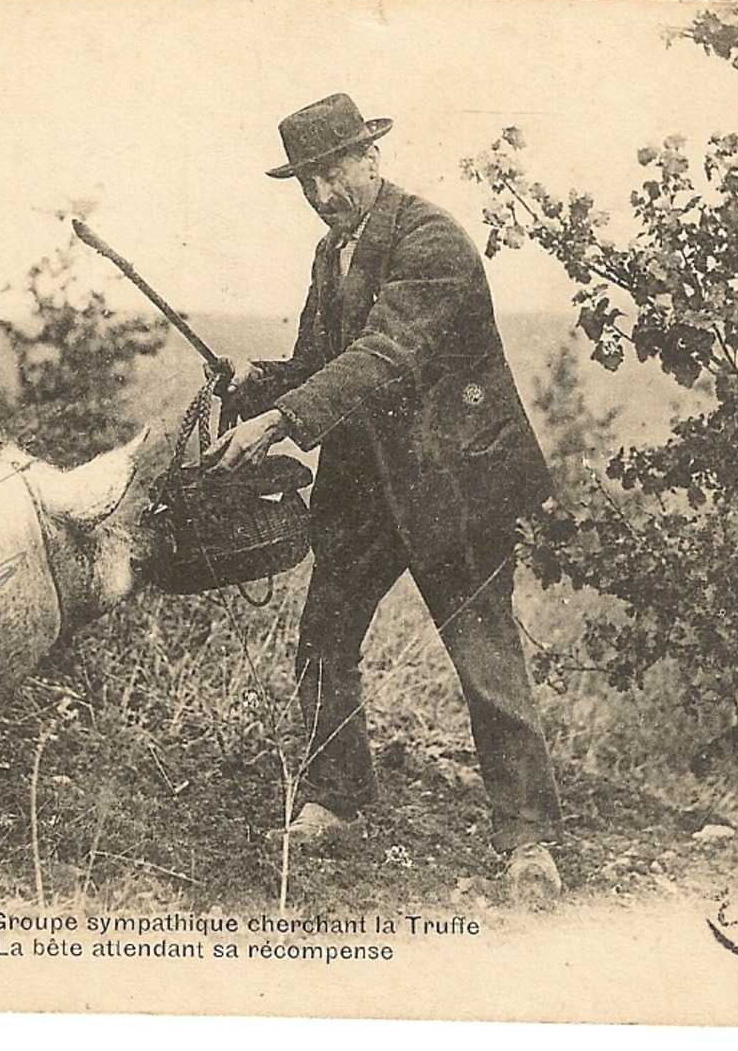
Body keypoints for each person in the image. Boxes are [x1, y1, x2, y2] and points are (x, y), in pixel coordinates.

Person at [203, 92, 564, 899]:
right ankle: (336, 799)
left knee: (484, 660)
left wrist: (275, 424)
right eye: (307, 184)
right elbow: (317, 362)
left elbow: (383, 353)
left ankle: (529, 841)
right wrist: (258, 383)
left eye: (333, 174)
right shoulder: (329, 254)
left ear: (371, 157)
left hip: (456, 486)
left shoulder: (433, 241)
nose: (323, 196)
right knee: (324, 634)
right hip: (367, 490)